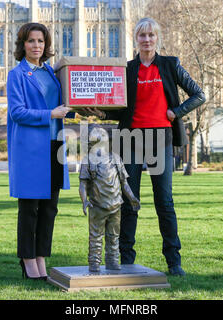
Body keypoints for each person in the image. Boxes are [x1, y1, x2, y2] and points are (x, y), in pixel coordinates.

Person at [88, 18, 206, 276]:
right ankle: (126, 258)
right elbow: (120, 109)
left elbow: (199, 94)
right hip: (129, 138)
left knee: (164, 201)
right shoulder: (127, 69)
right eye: (142, 35)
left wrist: (176, 111)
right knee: (129, 200)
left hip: (160, 138)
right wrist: (102, 113)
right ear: (136, 39)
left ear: (157, 38)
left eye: (151, 35)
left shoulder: (170, 65)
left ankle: (174, 261)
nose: (147, 39)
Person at [7, 23, 72, 280]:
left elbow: (62, 106)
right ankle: (27, 260)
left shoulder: (51, 73)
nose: (37, 46)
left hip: (54, 146)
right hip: (31, 150)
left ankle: (41, 258)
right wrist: (50, 114)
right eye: (32, 41)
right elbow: (17, 112)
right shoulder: (17, 75)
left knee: (49, 209)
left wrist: (88, 108)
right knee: (30, 208)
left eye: (41, 41)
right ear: (23, 44)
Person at [79, 125, 140, 272]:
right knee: (95, 238)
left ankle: (112, 261)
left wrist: (132, 198)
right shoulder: (88, 161)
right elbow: (82, 184)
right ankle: (94, 263)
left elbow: (124, 182)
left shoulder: (116, 159)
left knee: (114, 237)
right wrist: (84, 201)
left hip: (115, 206)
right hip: (96, 206)